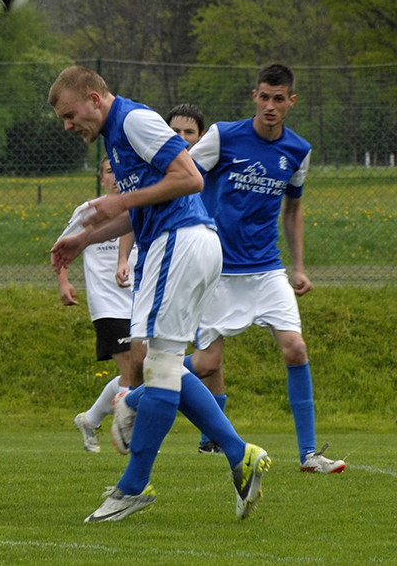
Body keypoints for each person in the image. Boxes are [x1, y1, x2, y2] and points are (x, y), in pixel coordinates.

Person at [48, 66, 270, 523]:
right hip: (182, 241)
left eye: (71, 115)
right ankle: (237, 453)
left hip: (180, 241)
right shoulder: (116, 134)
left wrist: (120, 201)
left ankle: (134, 483)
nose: (68, 126)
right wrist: (83, 240)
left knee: (158, 365)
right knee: (162, 363)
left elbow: (190, 179)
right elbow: (143, 207)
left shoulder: (133, 120)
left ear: (94, 98)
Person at [185, 64, 345, 473]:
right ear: (254, 96)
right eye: (264, 97)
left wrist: (299, 267)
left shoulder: (297, 151)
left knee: (295, 348)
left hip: (267, 270)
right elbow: (182, 177)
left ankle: (309, 455)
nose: (270, 105)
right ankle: (138, 387)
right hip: (218, 270)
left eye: (279, 98)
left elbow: (293, 210)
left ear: (291, 101)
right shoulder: (223, 136)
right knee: (204, 365)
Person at [58, 157, 136, 452]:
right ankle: (131, 437)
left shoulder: (139, 209)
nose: (116, 177)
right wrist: (64, 282)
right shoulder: (88, 211)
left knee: (139, 372)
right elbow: (63, 247)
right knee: (130, 369)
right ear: (101, 179)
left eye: (120, 171)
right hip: (106, 304)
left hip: (138, 301)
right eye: (109, 172)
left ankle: (90, 419)